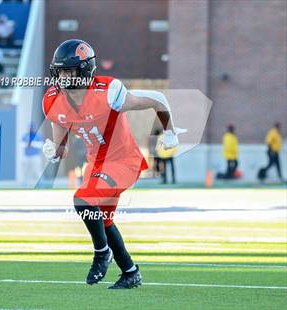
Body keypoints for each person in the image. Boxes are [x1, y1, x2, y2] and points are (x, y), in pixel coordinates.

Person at [42, 39, 184, 289]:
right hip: (96, 165)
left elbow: (157, 99)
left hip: (123, 161)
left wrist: (170, 131)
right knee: (103, 221)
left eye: (69, 71)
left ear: (85, 71)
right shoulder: (53, 100)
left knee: (82, 200)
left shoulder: (108, 92)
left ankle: (101, 254)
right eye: (60, 71)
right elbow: (61, 146)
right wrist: (54, 151)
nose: (63, 77)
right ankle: (130, 272)